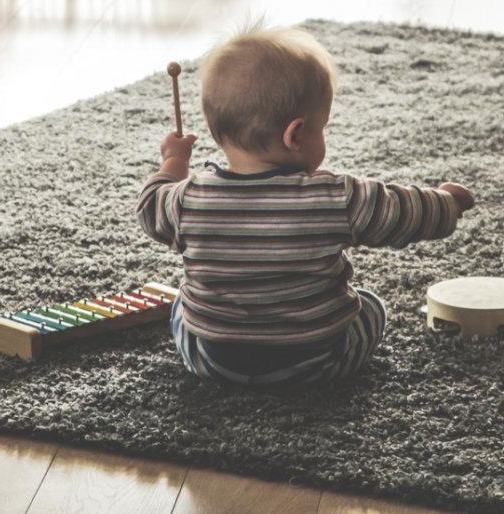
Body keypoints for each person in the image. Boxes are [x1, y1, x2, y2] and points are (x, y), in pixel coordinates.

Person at [137, 21, 474, 386]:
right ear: (295, 134)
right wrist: (447, 203)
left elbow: (149, 206)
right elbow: (403, 211)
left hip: (216, 363)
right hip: (319, 362)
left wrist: (174, 161)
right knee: (371, 305)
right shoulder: (335, 197)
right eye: (322, 126)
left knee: (180, 307)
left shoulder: (187, 200)